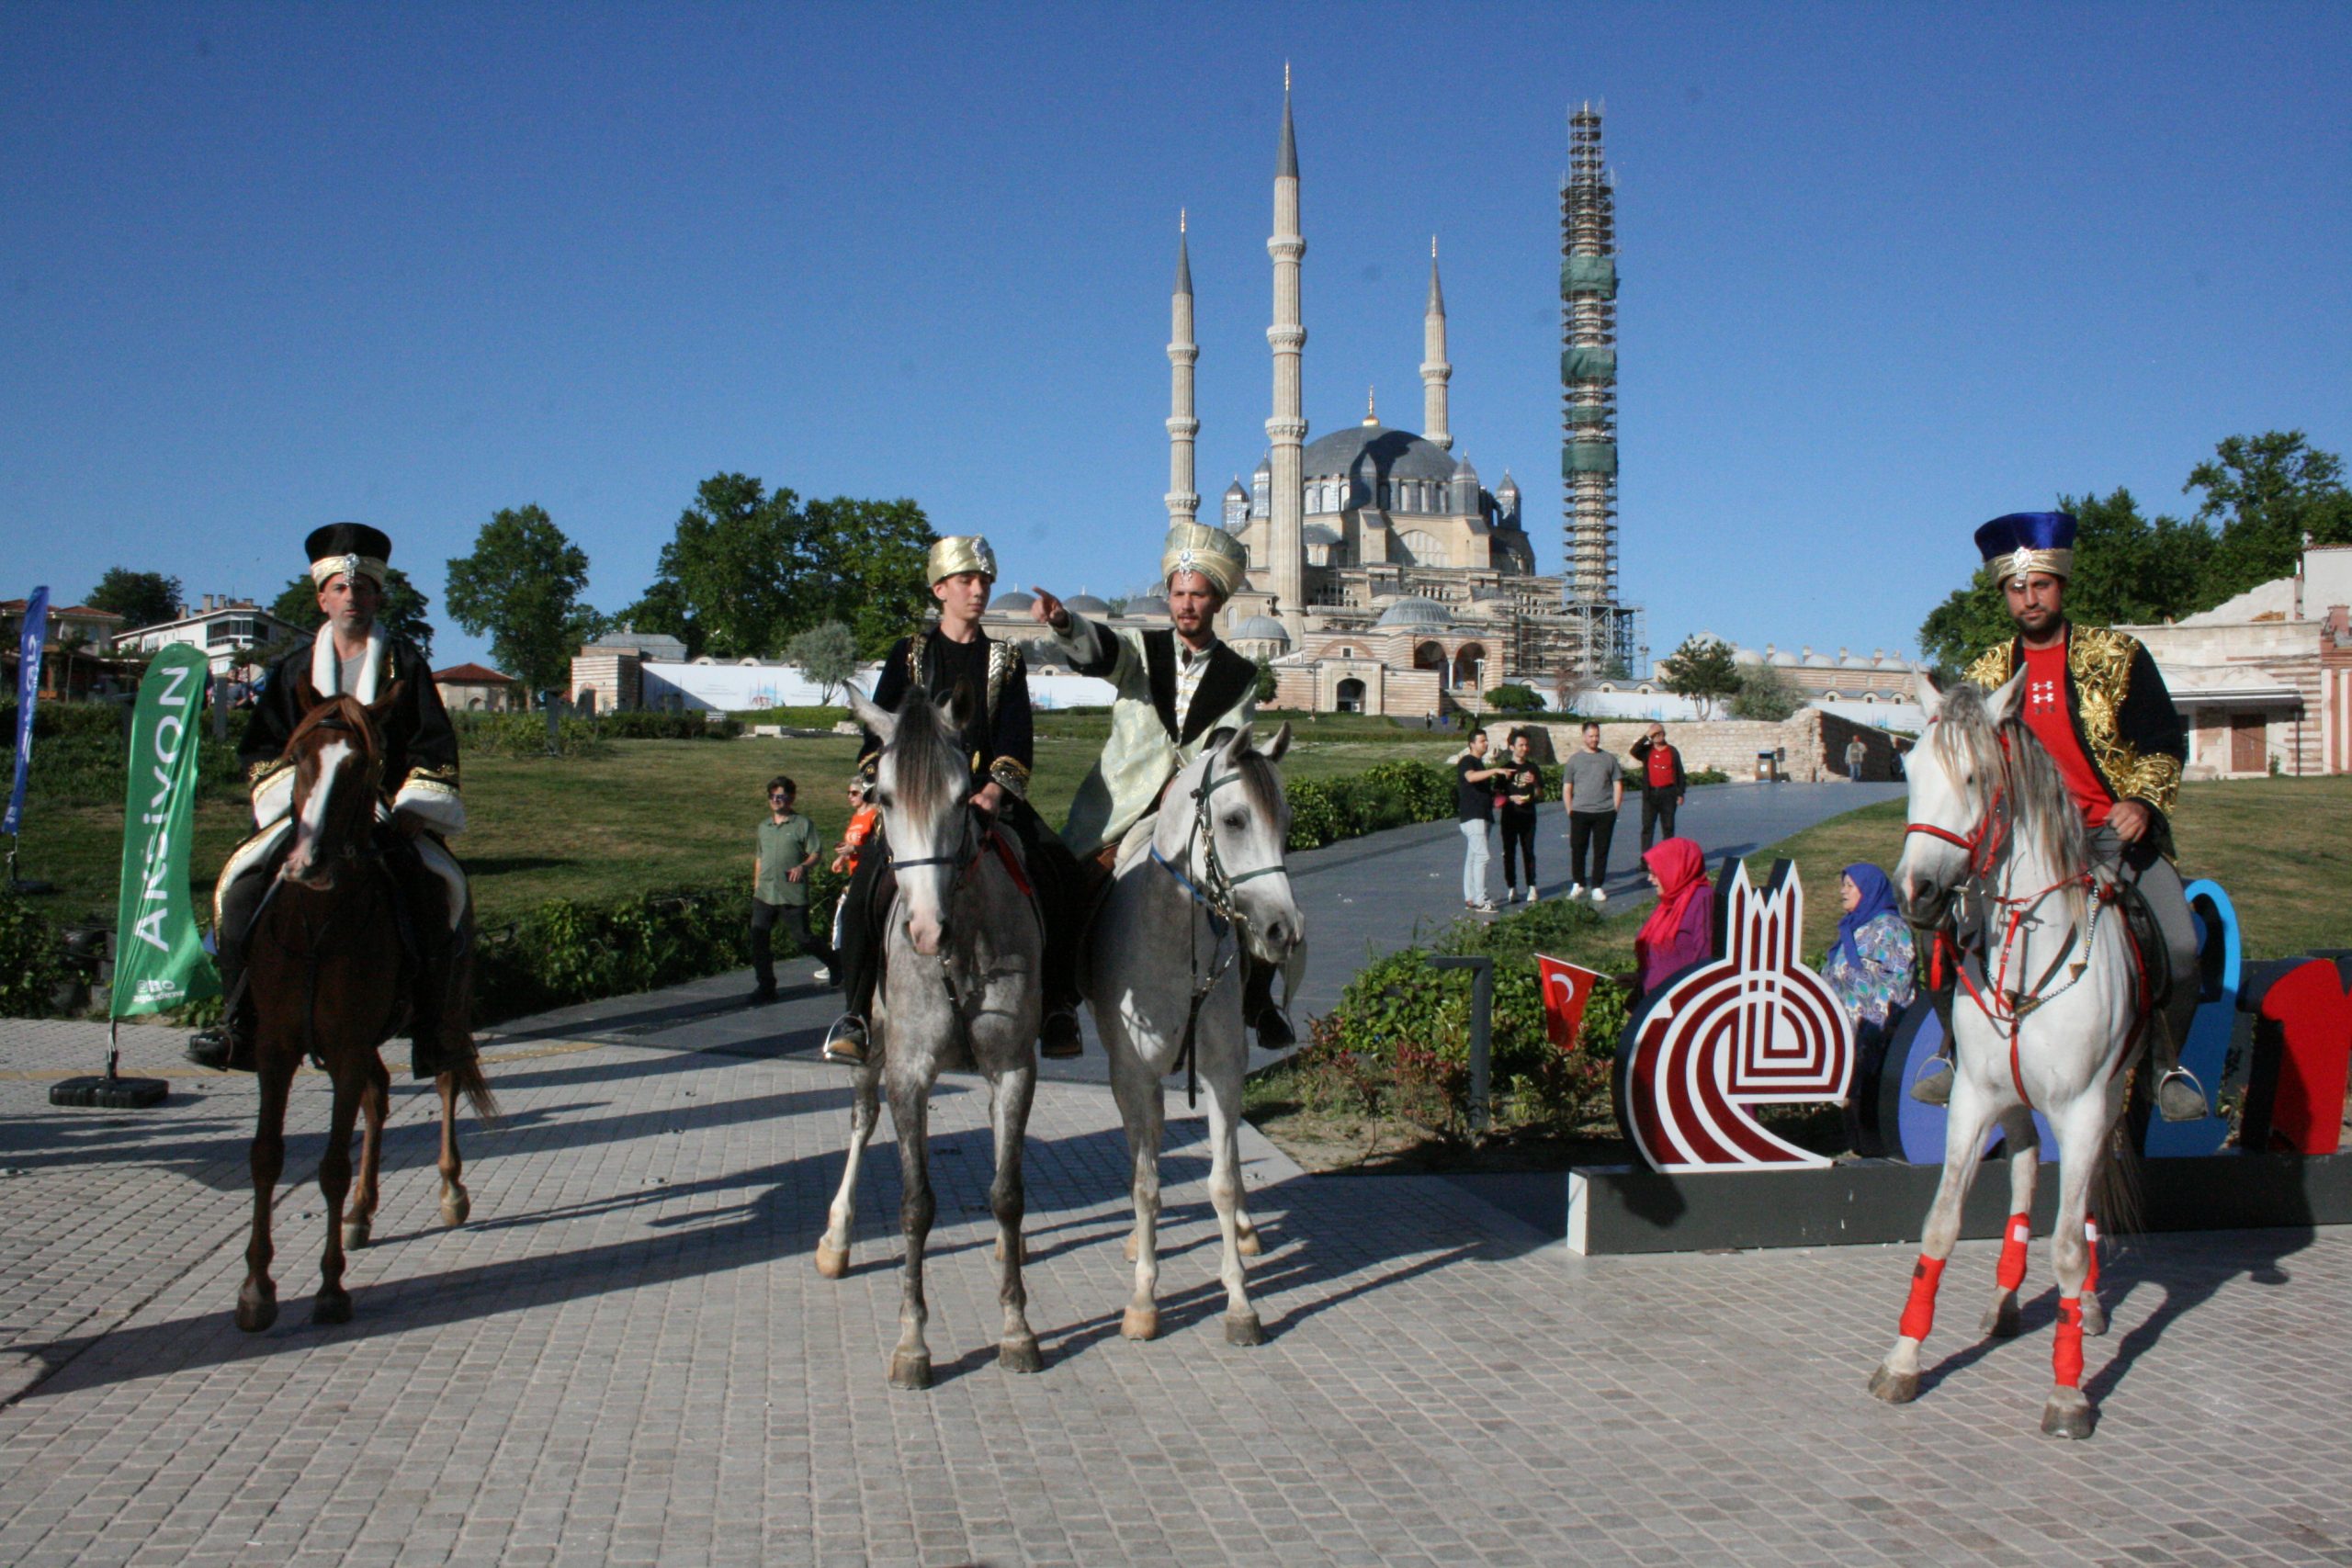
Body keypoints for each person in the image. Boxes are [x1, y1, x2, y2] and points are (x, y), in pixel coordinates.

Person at [1912, 510, 2205, 1121]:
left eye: (2040, 584)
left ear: (2061, 584)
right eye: (2017, 588)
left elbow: (2161, 743)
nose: (2030, 598)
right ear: (2004, 594)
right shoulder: (1987, 673)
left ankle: (2165, 1064)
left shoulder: (2118, 655)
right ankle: (1952, 1052)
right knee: (1936, 932)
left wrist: (2142, 803)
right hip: (2019, 845)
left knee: (2178, 944)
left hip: (2111, 837)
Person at [187, 523, 472, 1078]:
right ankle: (239, 1025)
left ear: (377, 596)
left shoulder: (405, 664)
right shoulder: (293, 669)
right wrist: (294, 801)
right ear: (322, 598)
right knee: (236, 891)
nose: (351, 597)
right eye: (340, 588)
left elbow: (432, 743)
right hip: (303, 811)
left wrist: (417, 806)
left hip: (385, 814)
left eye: (362, 587)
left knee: (442, 891)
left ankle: (436, 1030)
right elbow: (262, 748)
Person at [822, 536, 1084, 1064]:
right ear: (940, 589)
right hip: (919, 802)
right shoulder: (908, 653)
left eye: (985, 581)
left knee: (1060, 871)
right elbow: (875, 738)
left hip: (986, 797)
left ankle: (1057, 1004)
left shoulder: (1006, 658)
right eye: (967, 580)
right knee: (866, 884)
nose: (979, 590)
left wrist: (993, 789)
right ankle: (855, 1013)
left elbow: (1016, 737)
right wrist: (886, 785)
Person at [1031, 522, 1289, 1044]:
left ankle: (1258, 1000)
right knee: (1067, 882)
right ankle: (1058, 1003)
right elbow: (1102, 650)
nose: (1186, 605)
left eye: (1198, 595)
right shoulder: (1142, 649)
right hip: (1123, 802)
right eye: (1178, 594)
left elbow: (1227, 741)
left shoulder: (1239, 674)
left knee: (1258, 875)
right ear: (1168, 597)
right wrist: (1064, 623)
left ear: (1217, 601)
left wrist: (1190, 783)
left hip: (1193, 803)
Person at [749, 775, 835, 1004]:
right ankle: (766, 986)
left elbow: (816, 852)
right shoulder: (764, 827)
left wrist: (803, 867)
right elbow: (759, 857)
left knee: (802, 938)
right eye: (772, 797)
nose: (776, 801)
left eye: (781, 796)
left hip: (792, 892)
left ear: (791, 798)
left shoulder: (802, 824)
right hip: (765, 893)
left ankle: (835, 962)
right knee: (759, 939)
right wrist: (756, 885)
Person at [1822, 863, 1916, 1032]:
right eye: (1843, 885)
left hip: (1876, 1033)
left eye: (1850, 886)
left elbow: (1900, 984)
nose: (1843, 891)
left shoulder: (1891, 927)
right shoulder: (1852, 928)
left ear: (1869, 889)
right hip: (1842, 1032)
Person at [1631, 838, 1715, 998]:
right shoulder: (1671, 901)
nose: (1650, 879)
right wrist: (1639, 979)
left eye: (1654, 873)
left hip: (1681, 1002)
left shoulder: (1702, 899)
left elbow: (1706, 960)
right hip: (1655, 999)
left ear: (1674, 870)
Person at [1563, 721, 1624, 902]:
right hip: (1580, 811)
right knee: (1578, 849)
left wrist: (1615, 809)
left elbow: (1618, 784)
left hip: (1604, 812)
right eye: (1591, 736)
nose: (1594, 739)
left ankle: (1597, 886)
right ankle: (1578, 883)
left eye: (1597, 736)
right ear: (1584, 737)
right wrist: (1570, 810)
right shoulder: (1574, 760)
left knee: (1601, 850)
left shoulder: (1609, 759)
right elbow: (1567, 787)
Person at [1454, 728, 1506, 912]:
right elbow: (1470, 777)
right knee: (1482, 856)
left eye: (1486, 740)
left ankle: (1470, 896)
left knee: (1473, 857)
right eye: (1482, 741)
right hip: (1473, 816)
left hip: (1482, 815)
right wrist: (1495, 770)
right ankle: (1481, 899)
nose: (1486, 743)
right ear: (1472, 744)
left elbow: (1480, 789)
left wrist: (1496, 794)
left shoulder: (1480, 764)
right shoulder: (1467, 761)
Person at [1495, 730, 1543, 904]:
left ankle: (1532, 886)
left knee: (1528, 851)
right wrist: (1509, 798)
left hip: (1528, 815)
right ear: (1512, 747)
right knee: (1509, 852)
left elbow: (1540, 794)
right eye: (1521, 745)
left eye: (1526, 745)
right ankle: (1512, 887)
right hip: (1510, 816)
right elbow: (1497, 796)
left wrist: (1534, 783)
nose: (1524, 748)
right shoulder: (1505, 768)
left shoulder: (1533, 768)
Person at [1628, 722, 1687, 852]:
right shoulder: (1647, 751)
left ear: (1664, 734)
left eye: (1660, 733)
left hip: (1669, 794)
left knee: (1668, 828)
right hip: (1651, 794)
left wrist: (1680, 793)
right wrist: (1646, 736)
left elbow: (1680, 772)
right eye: (1655, 734)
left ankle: (1667, 856)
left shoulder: (1672, 751)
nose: (1658, 736)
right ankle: (1646, 858)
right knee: (1647, 828)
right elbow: (1634, 751)